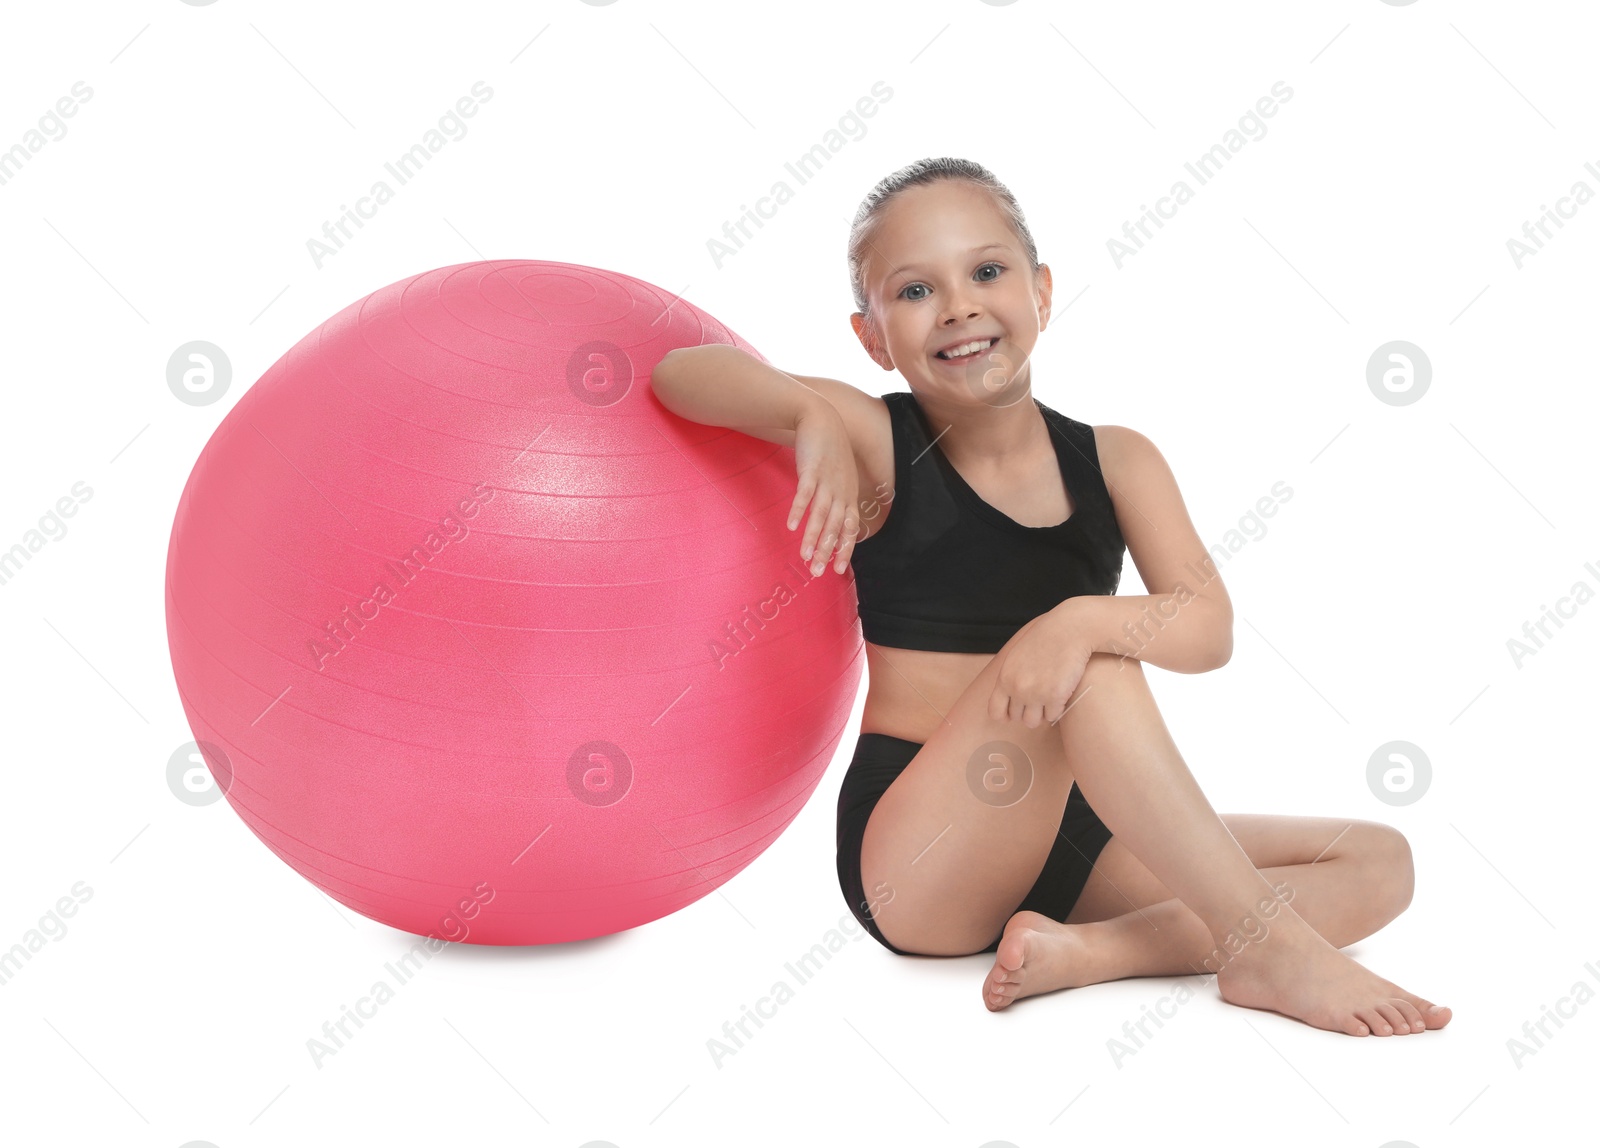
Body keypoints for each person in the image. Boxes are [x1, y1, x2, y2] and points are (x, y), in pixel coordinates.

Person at [650, 157, 1451, 1038]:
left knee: (1382, 861)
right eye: (916, 290)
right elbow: (681, 374)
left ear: (1041, 292)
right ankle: (1268, 951)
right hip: (922, 854)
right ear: (872, 338)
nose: (959, 305)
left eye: (987, 272)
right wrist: (804, 414)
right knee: (1096, 670)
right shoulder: (878, 440)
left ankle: (1097, 954)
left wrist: (1077, 618)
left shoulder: (1117, 459)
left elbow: (1210, 630)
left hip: (1067, 836)